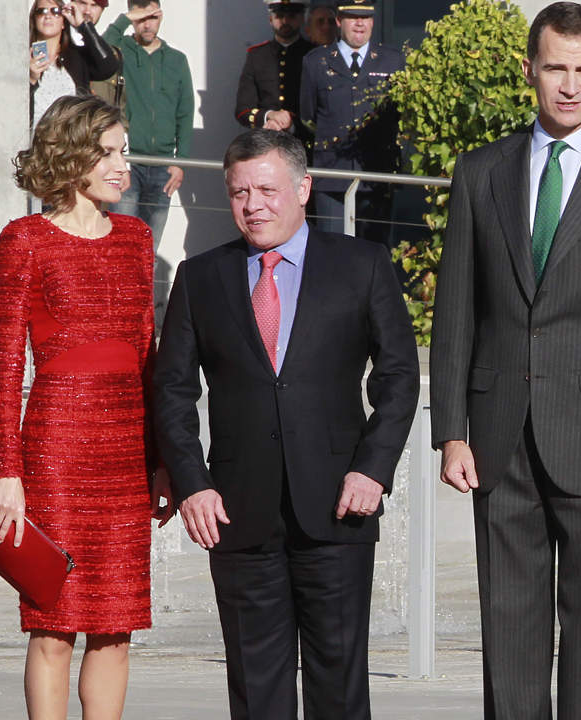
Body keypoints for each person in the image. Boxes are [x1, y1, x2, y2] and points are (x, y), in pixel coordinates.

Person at [428, 3, 581, 718]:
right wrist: (452, 427)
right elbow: (457, 309)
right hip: (497, 433)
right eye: (554, 68)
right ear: (529, 70)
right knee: (508, 629)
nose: (569, 85)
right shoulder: (481, 172)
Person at [153, 129, 419, 719]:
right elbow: (171, 390)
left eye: (267, 189)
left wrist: (373, 470)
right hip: (238, 513)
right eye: (239, 192)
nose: (254, 205)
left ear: (304, 188)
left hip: (337, 506)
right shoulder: (201, 278)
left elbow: (399, 376)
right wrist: (192, 481)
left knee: (340, 687)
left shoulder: (362, 265)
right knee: (256, 690)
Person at [0, 94, 174, 720]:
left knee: (117, 625)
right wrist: (8, 473)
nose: (126, 165)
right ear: (73, 157)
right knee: (53, 623)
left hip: (125, 455)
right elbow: (6, 367)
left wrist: (161, 460)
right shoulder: (25, 240)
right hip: (56, 451)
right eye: (112, 152)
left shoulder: (135, 238)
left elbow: (148, 355)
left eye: (125, 151)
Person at [299, 0, 403, 245]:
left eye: (365, 17)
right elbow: (308, 116)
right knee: (331, 249)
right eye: (353, 16)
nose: (360, 23)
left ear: (373, 21)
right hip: (331, 171)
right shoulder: (315, 62)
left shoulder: (393, 61)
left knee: (375, 252)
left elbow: (400, 117)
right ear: (338, 20)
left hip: (376, 173)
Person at [104, 0, 195, 243]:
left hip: (163, 165)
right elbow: (102, 47)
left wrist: (180, 162)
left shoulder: (177, 60)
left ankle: (147, 284)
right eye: (141, 18)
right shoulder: (121, 50)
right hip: (128, 161)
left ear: (161, 17)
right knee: (120, 242)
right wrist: (126, 17)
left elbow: (185, 112)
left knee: (148, 247)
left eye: (152, 17)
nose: (147, 24)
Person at [28, 0, 120, 127]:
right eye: (41, 11)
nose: (47, 15)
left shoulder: (77, 57)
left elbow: (108, 67)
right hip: (34, 140)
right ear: (34, 18)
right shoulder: (23, 57)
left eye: (55, 11)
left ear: (63, 22)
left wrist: (83, 26)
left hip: (70, 140)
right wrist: (31, 80)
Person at [236, 1, 316, 146]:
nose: (285, 21)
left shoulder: (314, 55)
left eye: (291, 16)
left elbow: (322, 109)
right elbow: (242, 110)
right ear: (270, 19)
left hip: (304, 144)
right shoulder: (257, 55)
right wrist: (269, 116)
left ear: (302, 18)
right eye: (279, 16)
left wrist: (291, 123)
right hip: (265, 142)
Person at [74, 0, 128, 116]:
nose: (87, 11)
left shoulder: (112, 55)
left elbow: (119, 106)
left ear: (102, 10)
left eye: (94, 5)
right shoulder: (58, 46)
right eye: (83, 3)